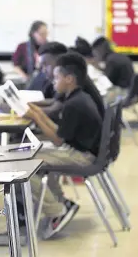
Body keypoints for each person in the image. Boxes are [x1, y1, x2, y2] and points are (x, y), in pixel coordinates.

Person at [24, 52, 103, 239]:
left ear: (69, 79)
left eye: (57, 77)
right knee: (32, 155)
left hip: (82, 156)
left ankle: (55, 210)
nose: (53, 81)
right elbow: (61, 132)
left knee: (26, 165)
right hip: (80, 150)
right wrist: (37, 113)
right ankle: (60, 202)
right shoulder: (77, 97)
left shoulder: (74, 104)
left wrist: (36, 116)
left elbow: (59, 140)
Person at [33, 42, 106, 122]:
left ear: (59, 61)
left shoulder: (70, 79)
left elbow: (53, 111)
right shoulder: (70, 74)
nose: (43, 70)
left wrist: (26, 111)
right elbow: (55, 101)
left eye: (46, 65)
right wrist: (30, 104)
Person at [91, 36, 135, 103]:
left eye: (96, 53)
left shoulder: (111, 60)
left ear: (101, 50)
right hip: (129, 90)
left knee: (97, 100)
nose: (96, 55)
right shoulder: (116, 56)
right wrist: (98, 67)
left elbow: (107, 82)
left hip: (122, 93)